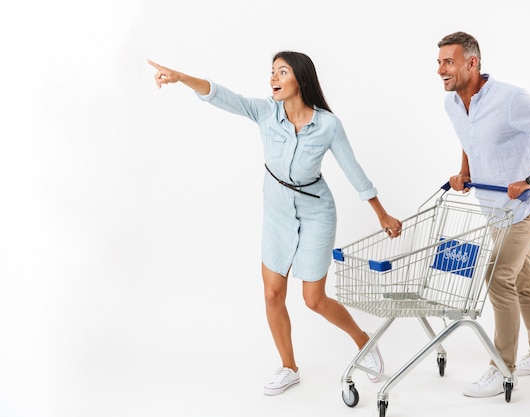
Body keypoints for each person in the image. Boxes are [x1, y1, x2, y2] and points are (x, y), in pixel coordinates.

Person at [148, 52, 402, 396]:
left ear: (300, 78)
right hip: (277, 212)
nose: (273, 78)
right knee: (272, 294)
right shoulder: (267, 112)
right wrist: (180, 77)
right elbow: (222, 96)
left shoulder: (327, 124)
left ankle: (363, 341)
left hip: (316, 212)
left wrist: (381, 213)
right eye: (271, 72)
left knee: (313, 299)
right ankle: (289, 367)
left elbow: (353, 170)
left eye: (282, 71)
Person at [436, 32, 530, 398]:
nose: (440, 70)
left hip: (528, 208)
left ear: (472, 63)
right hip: (493, 211)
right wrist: (464, 171)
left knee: (497, 278)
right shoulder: (452, 104)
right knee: (524, 283)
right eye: (438, 63)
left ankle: (502, 367)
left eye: (448, 62)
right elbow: (468, 139)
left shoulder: (510, 99)